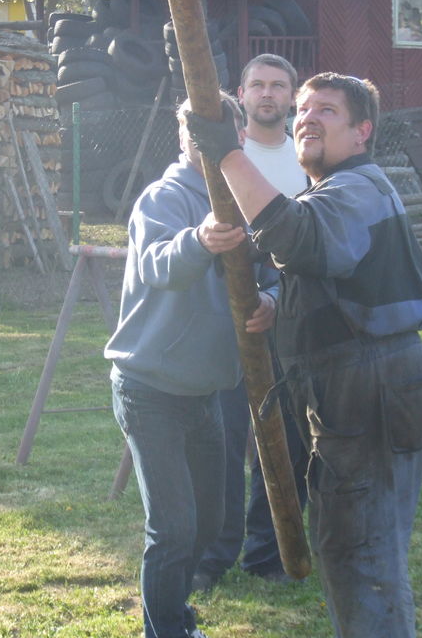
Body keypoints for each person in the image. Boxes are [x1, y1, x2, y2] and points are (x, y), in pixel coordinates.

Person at [184, 73, 422, 638]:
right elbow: (326, 268)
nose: (307, 119)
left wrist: (227, 153)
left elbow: (295, 236)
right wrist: (281, 305)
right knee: (358, 545)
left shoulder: (356, 189)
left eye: (327, 110)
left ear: (362, 132)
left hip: (367, 384)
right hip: (366, 382)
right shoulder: (338, 192)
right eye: (303, 109)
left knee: (361, 553)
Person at [105, 93, 279, 638]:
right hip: (148, 388)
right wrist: (200, 240)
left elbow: (272, 272)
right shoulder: (163, 198)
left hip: (207, 391)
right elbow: (159, 267)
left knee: (208, 524)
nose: (202, 144)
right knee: (173, 529)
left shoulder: (249, 201)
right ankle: (164, 631)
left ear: (240, 138)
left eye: (217, 133)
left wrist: (271, 300)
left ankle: (174, 618)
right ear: (182, 139)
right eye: (194, 133)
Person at [193, 54, 309, 591]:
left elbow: (306, 251)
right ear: (241, 95)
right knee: (221, 441)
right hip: (225, 324)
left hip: (289, 320)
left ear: (291, 96)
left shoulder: (307, 159)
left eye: (278, 85)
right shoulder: (219, 157)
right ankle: (212, 555)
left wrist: (276, 298)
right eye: (257, 84)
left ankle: (269, 552)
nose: (267, 93)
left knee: (286, 440)